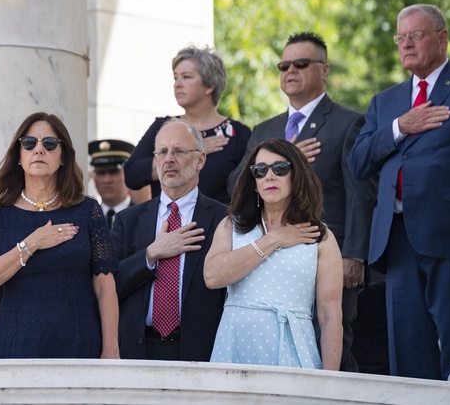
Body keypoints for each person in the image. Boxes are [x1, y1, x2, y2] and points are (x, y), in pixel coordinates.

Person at [227, 32, 375, 371]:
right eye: (284, 65)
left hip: (325, 251)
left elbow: (360, 192)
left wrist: (354, 253)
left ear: (324, 70)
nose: (290, 70)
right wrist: (285, 154)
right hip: (268, 255)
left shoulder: (348, 122)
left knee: (334, 335)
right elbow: (235, 184)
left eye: (301, 64)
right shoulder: (267, 129)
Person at [348, 4, 450, 380]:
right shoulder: (385, 102)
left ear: (442, 38)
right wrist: (400, 127)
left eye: (416, 35)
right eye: (400, 37)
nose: (406, 44)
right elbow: (358, 162)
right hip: (397, 236)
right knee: (407, 347)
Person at [0, 112, 119, 359]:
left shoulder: (87, 210)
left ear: (63, 157)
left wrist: (111, 349)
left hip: (80, 346)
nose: (38, 150)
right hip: (15, 347)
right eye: (29, 143)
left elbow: (105, 285)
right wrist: (32, 243)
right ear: (19, 156)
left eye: (49, 144)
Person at [206, 138, 342, 370]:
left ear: (296, 175)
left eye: (280, 169)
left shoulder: (320, 236)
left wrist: (330, 380)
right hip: (235, 347)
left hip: (293, 349)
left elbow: (330, 316)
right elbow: (212, 277)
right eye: (260, 170)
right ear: (254, 181)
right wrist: (275, 239)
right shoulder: (231, 225)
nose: (269, 176)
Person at [112, 118, 227, 361]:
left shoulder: (223, 219)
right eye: (162, 152)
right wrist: (150, 255)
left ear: (200, 160)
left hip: (201, 354)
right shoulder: (127, 220)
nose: (169, 159)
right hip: (137, 352)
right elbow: (109, 286)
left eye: (179, 151)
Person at [124, 46, 250, 205]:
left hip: (218, 227)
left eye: (186, 77)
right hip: (167, 227)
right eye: (175, 78)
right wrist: (187, 151)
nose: (178, 84)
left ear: (210, 85)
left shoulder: (237, 134)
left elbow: (248, 191)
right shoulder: (162, 127)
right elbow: (131, 174)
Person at [89, 139, 134, 230]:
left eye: (114, 172)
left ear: (128, 174)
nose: (107, 180)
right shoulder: (87, 219)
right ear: (94, 177)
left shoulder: (143, 217)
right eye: (101, 173)